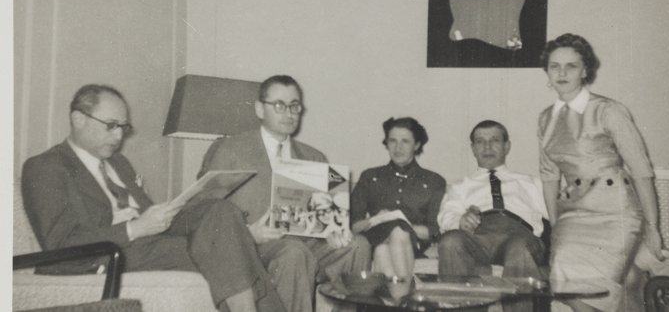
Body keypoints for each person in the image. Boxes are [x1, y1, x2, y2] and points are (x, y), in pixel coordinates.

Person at [21, 84, 286, 312]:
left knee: (218, 209)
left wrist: (228, 226)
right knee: (216, 249)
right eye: (111, 126)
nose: (118, 136)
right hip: (101, 256)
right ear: (78, 119)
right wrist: (134, 228)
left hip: (148, 243)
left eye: (123, 127)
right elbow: (61, 243)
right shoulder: (46, 166)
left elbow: (154, 219)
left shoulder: (119, 163)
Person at [198, 75, 371, 312]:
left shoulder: (314, 157)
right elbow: (202, 214)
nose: (289, 113)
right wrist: (248, 234)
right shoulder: (229, 150)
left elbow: (325, 219)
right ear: (260, 109)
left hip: (305, 246)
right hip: (252, 249)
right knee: (294, 253)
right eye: (279, 105)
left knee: (358, 245)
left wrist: (334, 233)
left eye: (295, 106)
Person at [538, 33, 664, 312]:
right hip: (572, 214)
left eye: (571, 66)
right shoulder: (546, 118)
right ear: (546, 71)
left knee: (600, 290)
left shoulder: (608, 110)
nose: (561, 73)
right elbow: (549, 175)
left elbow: (641, 171)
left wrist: (653, 229)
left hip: (615, 212)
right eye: (554, 66)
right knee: (564, 282)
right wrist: (556, 224)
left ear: (585, 71)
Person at [437, 120, 549, 312]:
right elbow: (447, 216)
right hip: (477, 237)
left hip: (520, 235)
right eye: (480, 141)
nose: (487, 147)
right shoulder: (460, 185)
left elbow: (557, 215)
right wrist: (460, 221)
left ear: (507, 146)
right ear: (473, 149)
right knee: (450, 241)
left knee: (519, 247)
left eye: (494, 140)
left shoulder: (531, 183)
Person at [350, 117, 446, 281]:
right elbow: (353, 226)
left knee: (389, 242)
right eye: (392, 141)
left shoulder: (433, 181)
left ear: (416, 145)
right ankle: (406, 299)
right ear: (386, 143)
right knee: (385, 242)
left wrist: (402, 224)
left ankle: (398, 301)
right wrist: (375, 219)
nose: (398, 148)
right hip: (375, 239)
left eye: (405, 141)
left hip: (414, 244)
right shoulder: (370, 176)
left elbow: (435, 231)